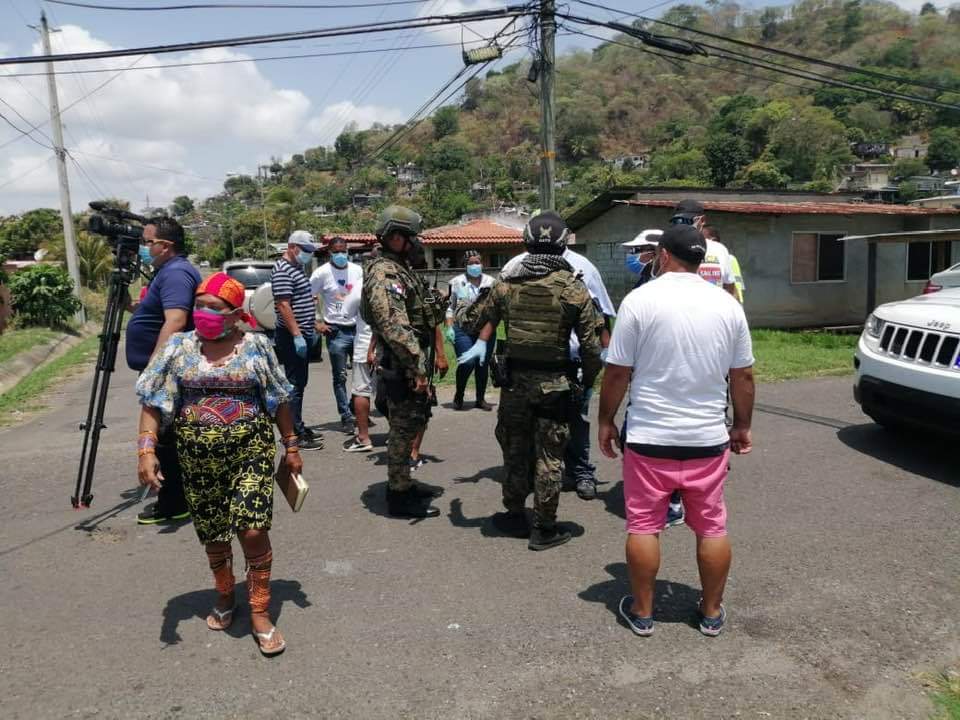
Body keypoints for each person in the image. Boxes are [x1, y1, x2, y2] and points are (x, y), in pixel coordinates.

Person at [597, 224, 755, 638]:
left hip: (650, 439)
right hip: (706, 439)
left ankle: (644, 612)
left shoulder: (639, 301)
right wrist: (741, 426)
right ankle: (711, 611)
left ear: (664, 255)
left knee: (644, 525)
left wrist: (604, 420)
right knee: (711, 526)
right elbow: (743, 377)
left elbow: (617, 372)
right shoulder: (727, 305)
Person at [136, 272, 300, 656]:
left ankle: (260, 610)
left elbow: (278, 400)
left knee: (253, 528)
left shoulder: (257, 347)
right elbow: (152, 402)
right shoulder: (178, 348)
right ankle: (226, 593)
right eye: (199, 306)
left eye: (214, 308)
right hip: (196, 460)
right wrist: (145, 451)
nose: (203, 314)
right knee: (213, 534)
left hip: (250, 453)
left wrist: (291, 446)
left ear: (235, 314)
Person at [460, 211, 603, 550]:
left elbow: (469, 322)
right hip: (556, 385)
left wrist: (484, 296)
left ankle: (513, 513)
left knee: (514, 449)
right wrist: (587, 381)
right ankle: (544, 527)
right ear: (562, 245)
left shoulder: (506, 285)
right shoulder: (573, 288)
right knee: (550, 457)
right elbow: (592, 348)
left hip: (514, 385)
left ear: (526, 241)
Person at [500, 236, 615, 501]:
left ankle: (580, 472)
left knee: (574, 422)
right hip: (523, 364)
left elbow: (600, 315)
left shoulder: (582, 268)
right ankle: (534, 485)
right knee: (526, 431)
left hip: (567, 362)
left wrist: (592, 370)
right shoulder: (515, 266)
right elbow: (499, 311)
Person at [360, 206, 447, 519]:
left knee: (411, 423)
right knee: (401, 430)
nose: (417, 244)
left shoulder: (399, 268)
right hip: (401, 364)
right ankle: (398, 494)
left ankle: (405, 482)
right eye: (412, 238)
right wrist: (416, 365)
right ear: (396, 238)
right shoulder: (385, 273)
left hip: (408, 360)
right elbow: (393, 326)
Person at [125, 216, 200, 525]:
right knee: (167, 432)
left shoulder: (176, 273)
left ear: (165, 246)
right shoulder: (167, 272)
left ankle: (174, 502)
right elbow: (158, 314)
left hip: (167, 368)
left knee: (166, 434)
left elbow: (176, 320)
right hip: (164, 366)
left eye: (148, 242)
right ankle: (175, 496)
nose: (144, 248)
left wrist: (156, 366)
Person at [622, 228, 683, 528]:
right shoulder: (645, 279)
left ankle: (672, 502)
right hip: (647, 376)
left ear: (660, 252)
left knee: (665, 439)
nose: (633, 257)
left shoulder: (668, 288)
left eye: (639, 250)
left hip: (668, 377)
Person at [272, 230, 322, 450]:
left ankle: (298, 425)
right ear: (293, 247)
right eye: (307, 250)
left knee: (299, 383)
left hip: (302, 332)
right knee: (293, 385)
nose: (309, 254)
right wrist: (297, 335)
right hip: (292, 335)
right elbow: (283, 305)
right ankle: (292, 433)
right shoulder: (283, 270)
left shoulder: (297, 267)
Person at [311, 236, 363, 431]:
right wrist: (317, 321)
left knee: (362, 374)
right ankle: (346, 415)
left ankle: (354, 405)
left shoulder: (357, 271)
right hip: (336, 331)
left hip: (357, 329)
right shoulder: (321, 273)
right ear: (329, 252)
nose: (341, 254)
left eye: (344, 250)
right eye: (336, 251)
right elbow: (310, 297)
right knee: (340, 376)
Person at [445, 250, 496, 411]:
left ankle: (480, 399)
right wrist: (449, 327)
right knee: (468, 361)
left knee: (482, 363)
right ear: (465, 265)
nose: (475, 265)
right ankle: (459, 394)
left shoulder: (491, 282)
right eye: (471, 263)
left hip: (485, 330)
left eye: (477, 262)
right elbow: (450, 307)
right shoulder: (456, 282)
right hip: (462, 329)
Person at [344, 251, 377, 453]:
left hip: (366, 345)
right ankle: (399, 436)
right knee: (392, 392)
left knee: (361, 391)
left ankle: (363, 437)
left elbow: (347, 311)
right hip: (392, 345)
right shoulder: (397, 282)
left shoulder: (361, 285)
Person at [670, 200, 737, 299]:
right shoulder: (668, 248)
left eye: (687, 221)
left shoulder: (719, 249)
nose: (682, 226)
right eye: (677, 222)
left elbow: (731, 289)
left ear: (702, 221)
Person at [703, 225, 745, 304]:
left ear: (713, 240)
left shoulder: (726, 258)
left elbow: (732, 286)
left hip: (732, 301)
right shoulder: (730, 257)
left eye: (703, 238)